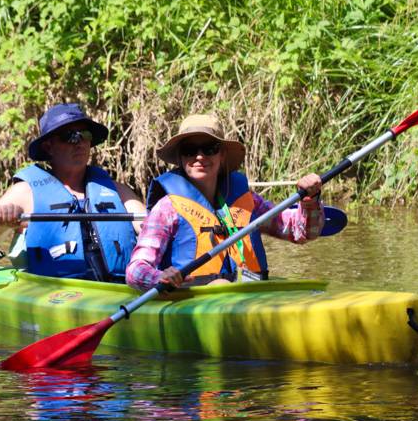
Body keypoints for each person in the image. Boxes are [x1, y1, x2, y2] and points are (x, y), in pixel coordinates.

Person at [125, 113, 324, 290]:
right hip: (194, 302)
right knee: (220, 285)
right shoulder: (167, 208)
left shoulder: (248, 201)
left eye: (209, 149)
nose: (199, 156)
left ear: (222, 155)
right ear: (180, 157)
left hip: (249, 297)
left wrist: (309, 201)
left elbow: (301, 232)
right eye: (190, 149)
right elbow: (135, 271)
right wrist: (160, 277)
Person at [0, 103, 145, 282]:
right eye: (70, 136)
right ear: (48, 147)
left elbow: (151, 227)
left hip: (121, 290)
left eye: (85, 135)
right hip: (55, 293)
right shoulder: (25, 193)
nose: (80, 142)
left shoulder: (117, 191)